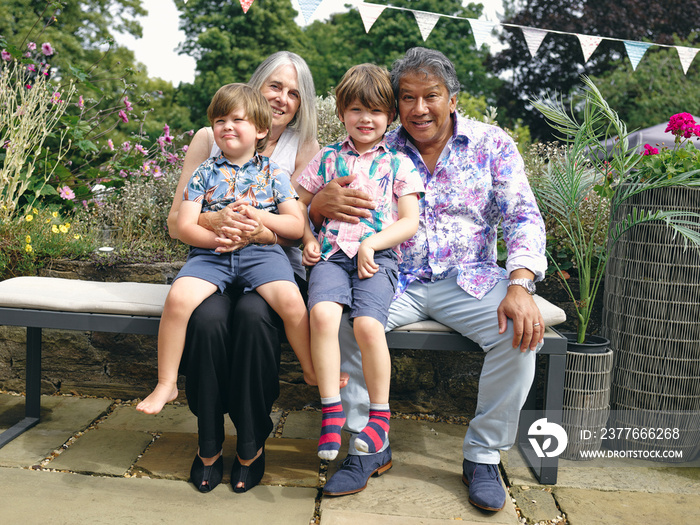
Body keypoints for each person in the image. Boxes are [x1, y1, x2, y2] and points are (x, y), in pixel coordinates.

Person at [312, 48, 547, 512]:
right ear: (395, 103)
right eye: (408, 98)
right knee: (343, 322)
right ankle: (367, 445)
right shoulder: (373, 147)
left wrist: (520, 283)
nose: (420, 109)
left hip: (471, 279)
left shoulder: (491, 143)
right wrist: (318, 206)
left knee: (520, 333)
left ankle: (482, 454)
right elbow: (319, 205)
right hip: (392, 276)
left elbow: (523, 215)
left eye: (432, 96)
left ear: (453, 98)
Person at [166, 51, 323, 494]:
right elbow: (177, 221)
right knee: (210, 320)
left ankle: (252, 443)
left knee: (255, 320)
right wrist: (215, 223)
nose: (283, 98)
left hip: (270, 262)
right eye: (275, 86)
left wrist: (261, 229)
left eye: (294, 93)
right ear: (257, 86)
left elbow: (298, 228)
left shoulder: (302, 149)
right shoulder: (209, 139)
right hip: (213, 255)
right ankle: (209, 442)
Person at [136, 83, 313, 417]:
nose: (226, 126)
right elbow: (185, 227)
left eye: (237, 119)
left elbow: (296, 227)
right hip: (211, 256)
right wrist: (217, 239)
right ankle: (166, 383)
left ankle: (311, 367)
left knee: (291, 300)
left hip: (263, 255)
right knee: (178, 299)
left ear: (261, 129)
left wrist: (262, 222)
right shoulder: (205, 172)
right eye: (219, 120)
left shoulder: (274, 173)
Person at [295, 64, 424, 461]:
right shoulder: (327, 158)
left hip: (377, 260)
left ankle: (379, 416)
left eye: (375, 111)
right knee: (323, 317)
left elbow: (409, 222)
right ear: (341, 114)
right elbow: (297, 205)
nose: (365, 119)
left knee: (368, 325)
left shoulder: (399, 163)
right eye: (355, 110)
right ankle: (331, 410)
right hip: (332, 257)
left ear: (389, 116)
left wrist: (372, 245)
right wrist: (307, 238)